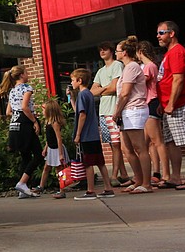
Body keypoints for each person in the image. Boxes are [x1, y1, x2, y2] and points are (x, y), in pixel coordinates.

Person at [157, 21, 185, 190]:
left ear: (171, 33)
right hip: (169, 106)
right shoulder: (168, 53)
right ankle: (176, 177)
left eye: (161, 32)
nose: (158, 36)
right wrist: (164, 103)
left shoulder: (177, 52)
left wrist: (171, 102)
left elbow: (178, 79)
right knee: (171, 141)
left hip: (180, 104)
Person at [113, 37, 152, 193]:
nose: (116, 53)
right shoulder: (126, 68)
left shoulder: (132, 67)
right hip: (126, 111)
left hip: (134, 109)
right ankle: (138, 180)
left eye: (117, 50)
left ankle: (147, 184)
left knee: (139, 147)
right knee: (127, 148)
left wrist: (116, 112)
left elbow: (125, 93)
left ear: (124, 52)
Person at [90, 42, 131, 188]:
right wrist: (105, 89)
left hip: (114, 110)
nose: (102, 51)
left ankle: (114, 175)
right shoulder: (100, 71)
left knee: (116, 143)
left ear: (112, 51)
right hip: (103, 111)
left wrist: (102, 89)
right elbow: (92, 91)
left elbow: (115, 88)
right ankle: (124, 174)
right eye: (100, 49)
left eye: (105, 49)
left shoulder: (117, 66)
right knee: (111, 144)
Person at [0, 66, 41, 198]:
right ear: (22, 75)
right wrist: (34, 121)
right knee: (39, 155)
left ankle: (23, 189)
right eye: (27, 72)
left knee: (25, 156)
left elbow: (8, 112)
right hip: (25, 123)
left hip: (14, 124)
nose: (28, 75)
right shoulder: (26, 88)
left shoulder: (12, 91)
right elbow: (24, 107)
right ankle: (22, 183)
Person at [70, 68, 111, 200]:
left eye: (73, 80)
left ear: (79, 80)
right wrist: (71, 98)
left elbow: (82, 114)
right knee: (100, 162)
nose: (71, 82)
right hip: (93, 133)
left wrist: (77, 134)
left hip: (86, 135)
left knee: (88, 163)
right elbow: (78, 109)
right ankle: (108, 188)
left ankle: (90, 190)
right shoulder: (88, 94)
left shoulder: (82, 95)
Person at [38, 98, 67, 198]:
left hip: (56, 149)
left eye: (43, 109)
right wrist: (46, 148)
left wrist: (60, 153)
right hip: (51, 148)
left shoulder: (55, 123)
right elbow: (49, 138)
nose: (42, 112)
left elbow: (58, 138)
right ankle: (41, 186)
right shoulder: (48, 122)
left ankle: (62, 190)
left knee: (59, 170)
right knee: (46, 168)